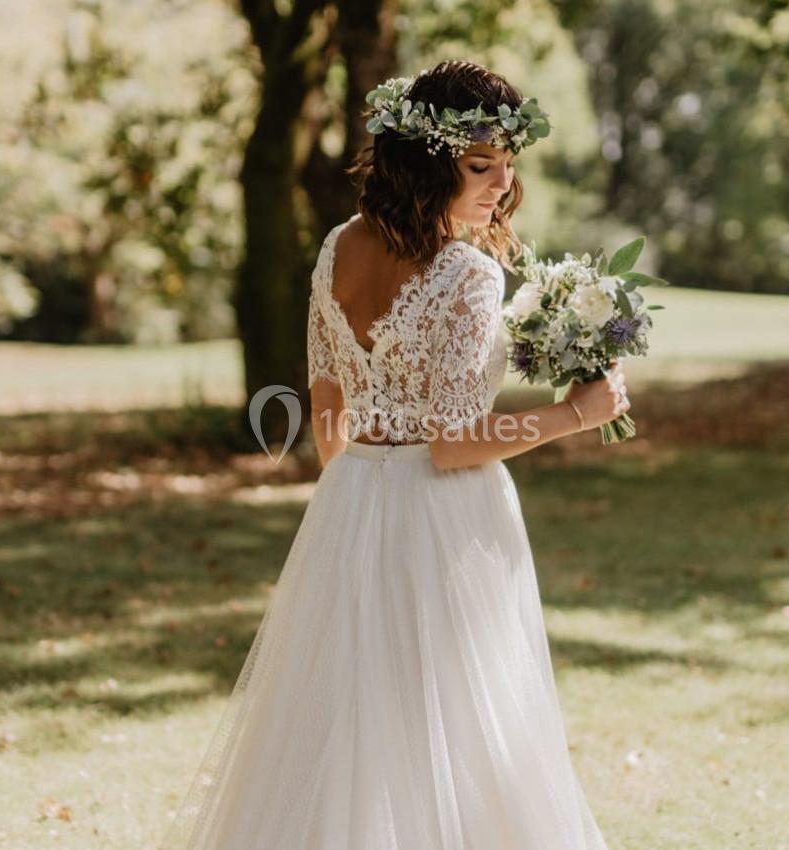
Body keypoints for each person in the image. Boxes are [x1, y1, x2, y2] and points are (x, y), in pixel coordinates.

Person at [158, 59, 629, 850]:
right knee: (454, 725)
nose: (500, 186)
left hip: (350, 504)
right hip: (444, 519)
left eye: (509, 167)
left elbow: (328, 410)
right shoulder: (469, 274)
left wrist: (353, 507)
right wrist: (575, 413)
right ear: (429, 158)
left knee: (350, 723)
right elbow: (453, 445)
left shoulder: (337, 248)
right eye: (481, 166)